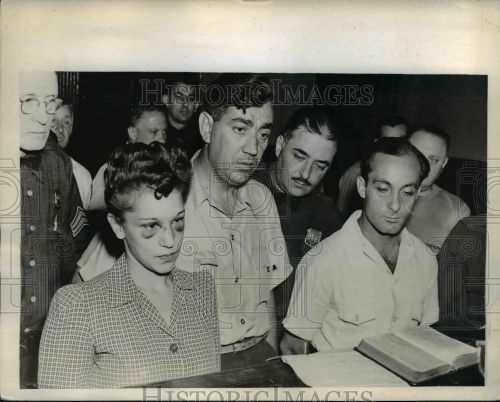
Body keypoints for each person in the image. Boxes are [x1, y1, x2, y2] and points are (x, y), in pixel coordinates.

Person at [38, 142, 220, 388]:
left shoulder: (203, 288)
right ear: (117, 225)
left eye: (177, 221)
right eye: (150, 226)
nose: (170, 240)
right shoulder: (77, 307)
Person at [174, 73, 292, 370]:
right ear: (206, 127)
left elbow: (266, 300)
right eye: (240, 129)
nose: (254, 149)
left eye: (263, 134)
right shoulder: (164, 198)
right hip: (192, 365)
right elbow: (86, 287)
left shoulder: (262, 200)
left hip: (257, 356)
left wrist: (272, 365)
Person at [281, 137, 439, 354]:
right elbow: (292, 346)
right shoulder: (324, 260)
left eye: (407, 192)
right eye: (383, 189)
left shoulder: (425, 259)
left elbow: (427, 336)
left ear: (418, 193)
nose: (395, 205)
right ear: (363, 187)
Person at [19, 71, 92, 388]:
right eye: (28, 103)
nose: (42, 118)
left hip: (45, 341)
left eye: (49, 103)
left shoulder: (59, 166)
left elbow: (74, 247)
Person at [254, 107, 344, 325]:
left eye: (320, 166)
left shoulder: (327, 216)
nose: (305, 174)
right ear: (281, 145)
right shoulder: (243, 194)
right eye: (299, 156)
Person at [88, 103, 167, 211]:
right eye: (154, 132)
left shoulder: (164, 164)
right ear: (133, 133)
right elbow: (92, 210)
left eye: (164, 132)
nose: (162, 140)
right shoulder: (112, 169)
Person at [407, 126, 471, 252]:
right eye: (417, 155)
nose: (423, 166)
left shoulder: (457, 210)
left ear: (444, 163)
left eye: (433, 159)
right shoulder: (377, 193)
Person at [337, 115, 408, 218]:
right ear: (376, 143)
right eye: (387, 142)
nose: (395, 149)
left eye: (400, 142)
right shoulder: (356, 174)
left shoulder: (412, 174)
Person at [51, 101, 92, 209]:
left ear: (71, 128)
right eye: (53, 121)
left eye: (66, 122)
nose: (60, 128)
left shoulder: (83, 177)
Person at [162, 73, 203, 157]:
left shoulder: (202, 139)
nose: (185, 104)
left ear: (196, 105)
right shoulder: (156, 134)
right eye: (179, 97)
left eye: (191, 98)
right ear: (166, 100)